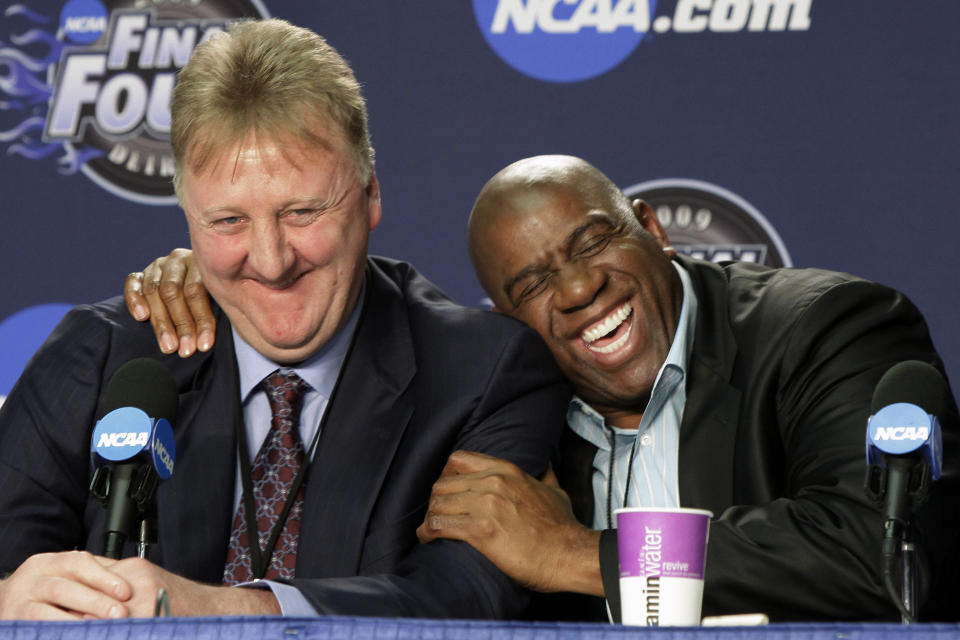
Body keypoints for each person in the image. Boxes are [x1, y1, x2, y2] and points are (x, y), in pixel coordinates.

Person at [124, 155, 960, 622]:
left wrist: (577, 554)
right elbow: (357, 313)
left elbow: (889, 554)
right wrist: (223, 281)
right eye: (531, 285)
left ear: (654, 228)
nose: (576, 290)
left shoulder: (828, 329)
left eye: (595, 242)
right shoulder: (503, 408)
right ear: (506, 319)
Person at [0, 21, 569, 621]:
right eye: (228, 223)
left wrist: (210, 614)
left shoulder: (484, 373)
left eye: (301, 212)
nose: (271, 262)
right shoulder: (105, 355)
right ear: (188, 219)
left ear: (370, 192)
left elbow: (466, 598)